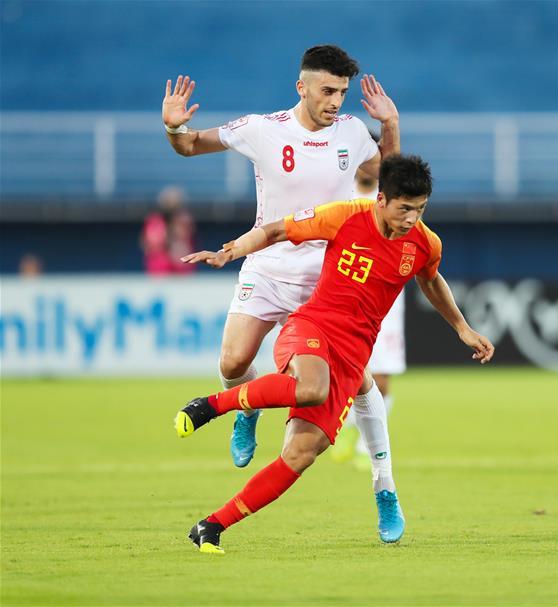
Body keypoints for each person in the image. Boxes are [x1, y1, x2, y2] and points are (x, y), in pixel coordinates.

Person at [177, 155, 494, 554]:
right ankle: (211, 405)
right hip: (312, 326)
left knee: (299, 454)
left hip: (353, 352)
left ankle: (213, 524)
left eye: (420, 208)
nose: (412, 217)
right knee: (311, 387)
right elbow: (276, 229)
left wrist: (463, 328)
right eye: (404, 207)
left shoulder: (426, 244)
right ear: (382, 200)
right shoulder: (344, 216)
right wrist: (231, 251)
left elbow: (431, 282)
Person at [161, 45, 406, 537]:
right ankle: (245, 411)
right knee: (232, 363)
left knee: (360, 381)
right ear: (302, 87)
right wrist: (173, 127)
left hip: (328, 280)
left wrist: (391, 124)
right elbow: (189, 146)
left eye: (341, 92)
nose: (336, 101)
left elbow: (394, 181)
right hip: (269, 265)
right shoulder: (262, 128)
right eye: (327, 90)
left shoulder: (354, 134)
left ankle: (384, 488)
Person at [332, 152, 407, 470]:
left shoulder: (390, 199)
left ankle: (365, 444)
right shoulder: (338, 193)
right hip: (348, 298)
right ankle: (348, 427)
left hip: (385, 299)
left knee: (383, 375)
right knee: (347, 373)